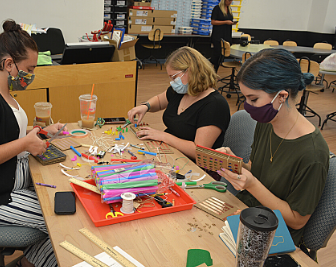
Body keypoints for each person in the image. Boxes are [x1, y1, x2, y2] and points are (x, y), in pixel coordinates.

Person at [0, 19, 66, 267]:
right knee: (60, 220)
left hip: (7, 183)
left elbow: (6, 132)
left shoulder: (4, 91)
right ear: (8, 64)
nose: (32, 75)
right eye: (29, 68)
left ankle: (27, 262)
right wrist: (26, 144)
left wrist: (41, 132)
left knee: (66, 202)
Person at [217, 49, 329, 247]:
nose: (247, 106)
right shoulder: (268, 122)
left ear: (282, 96)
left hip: (273, 234)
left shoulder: (312, 153)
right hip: (246, 212)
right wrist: (236, 163)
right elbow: (259, 168)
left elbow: (296, 220)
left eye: (253, 99)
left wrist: (251, 184)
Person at [127, 46, 230, 161]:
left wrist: (164, 136)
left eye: (174, 77)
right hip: (171, 154)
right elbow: (160, 100)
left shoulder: (215, 105)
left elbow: (200, 152)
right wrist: (145, 106)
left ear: (191, 70)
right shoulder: (181, 90)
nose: (172, 82)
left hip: (193, 166)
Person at [210, 0, 237, 72]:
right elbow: (213, 22)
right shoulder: (217, 8)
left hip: (227, 35)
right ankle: (213, 71)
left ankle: (215, 71)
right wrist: (225, 22)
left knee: (223, 55)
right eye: (229, 0)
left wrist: (231, 23)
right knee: (217, 54)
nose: (230, 2)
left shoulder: (229, 9)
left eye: (231, 0)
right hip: (218, 35)